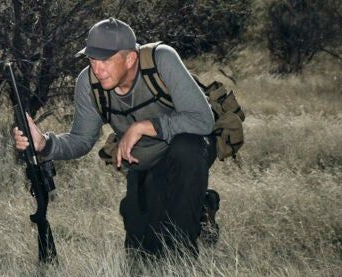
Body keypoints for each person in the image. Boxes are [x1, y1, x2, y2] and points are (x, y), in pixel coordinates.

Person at [13, 18, 218, 257]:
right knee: (142, 252)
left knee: (185, 155)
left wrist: (144, 126)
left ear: (130, 58)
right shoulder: (88, 84)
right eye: (92, 59)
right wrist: (45, 144)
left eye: (106, 60)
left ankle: (184, 260)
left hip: (187, 149)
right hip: (143, 161)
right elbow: (81, 140)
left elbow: (203, 120)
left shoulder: (161, 59)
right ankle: (203, 204)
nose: (97, 69)